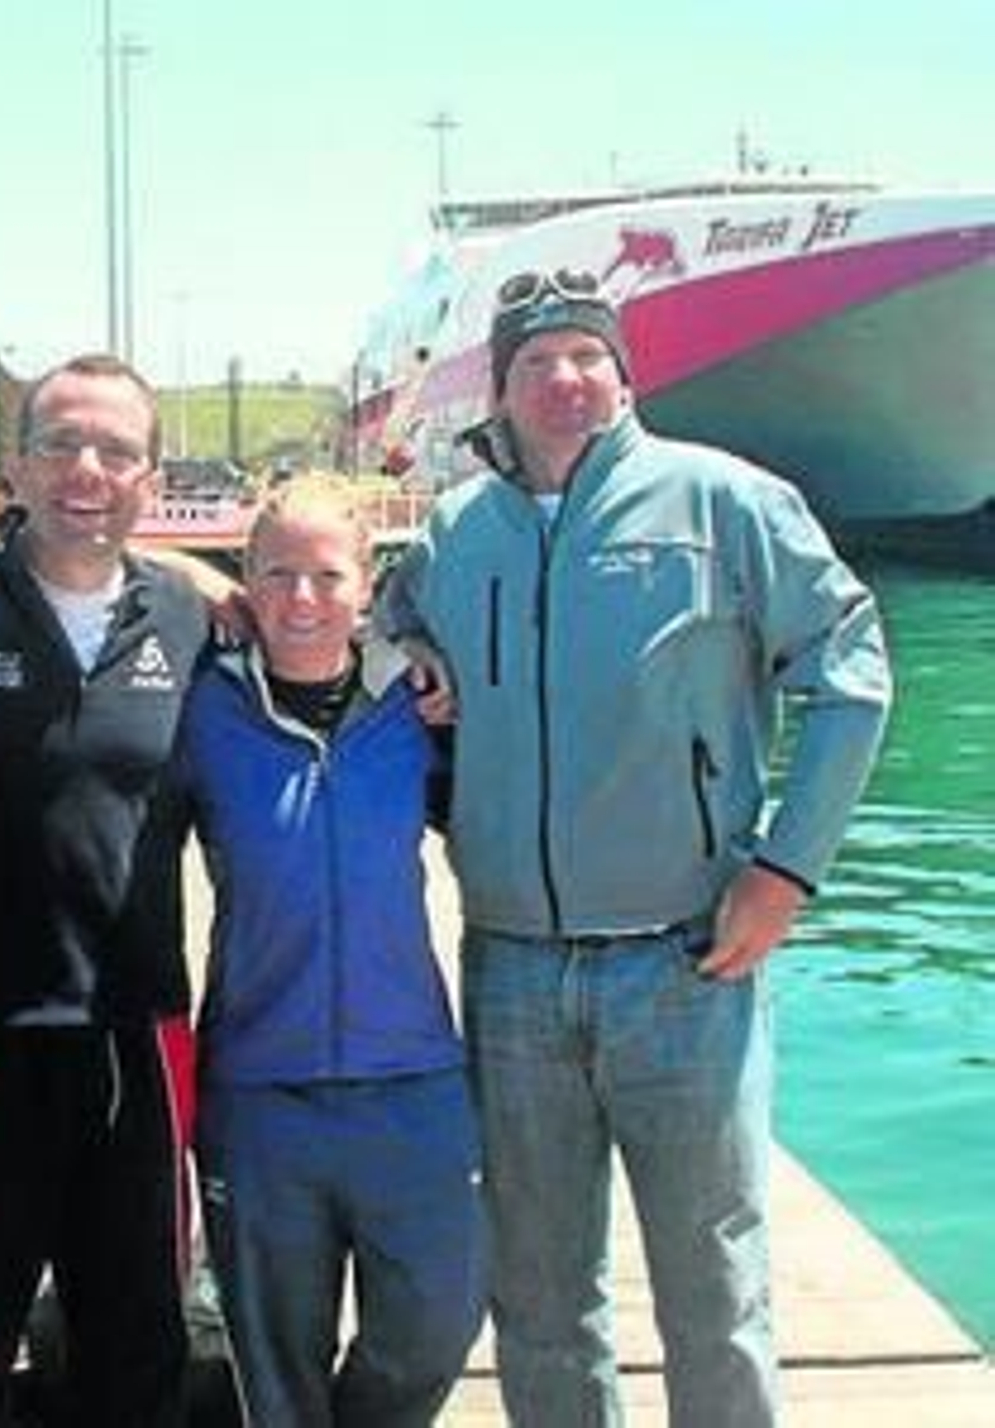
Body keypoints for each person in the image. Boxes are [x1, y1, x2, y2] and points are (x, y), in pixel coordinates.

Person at [380, 268, 893, 1427]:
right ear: (499, 390)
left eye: (584, 354)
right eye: (533, 361)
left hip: (685, 963)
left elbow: (851, 673)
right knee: (539, 1295)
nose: (563, 378)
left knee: (713, 1290)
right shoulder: (459, 531)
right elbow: (378, 627)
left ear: (624, 371)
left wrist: (786, 869)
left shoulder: (728, 504)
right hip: (509, 965)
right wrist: (404, 664)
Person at [0, 353, 211, 1426]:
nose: (87, 468)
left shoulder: (188, 617)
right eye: (60, 443)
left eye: (116, 450)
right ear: (15, 467)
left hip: (138, 1037)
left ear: (149, 479)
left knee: (138, 1344)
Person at [174, 473, 487, 1427]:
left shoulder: (421, 705)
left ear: (368, 584)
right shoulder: (200, 709)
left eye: (326, 575)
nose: (300, 601)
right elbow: (73, 557)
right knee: (277, 1369)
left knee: (436, 1324)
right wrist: (189, 576)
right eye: (275, 575)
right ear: (245, 581)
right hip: (261, 1093)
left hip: (416, 1082)